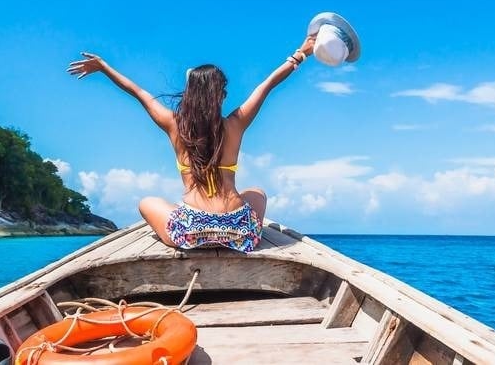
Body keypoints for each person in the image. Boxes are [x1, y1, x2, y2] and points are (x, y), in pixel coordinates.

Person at [67, 35, 315, 252]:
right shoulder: (235, 123)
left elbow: (137, 91)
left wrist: (104, 67)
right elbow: (267, 85)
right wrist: (300, 54)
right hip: (241, 234)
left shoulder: (174, 124)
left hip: (190, 231)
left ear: (190, 94)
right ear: (220, 96)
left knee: (147, 202)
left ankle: (195, 218)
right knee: (258, 193)